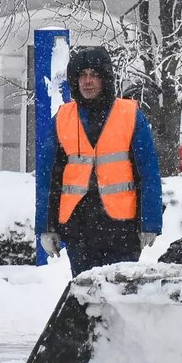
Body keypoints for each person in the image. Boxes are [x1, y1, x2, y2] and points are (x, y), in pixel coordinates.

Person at [35, 46, 163, 276]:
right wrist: (46, 229)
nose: (87, 81)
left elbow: (148, 173)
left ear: (105, 78)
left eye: (94, 75)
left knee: (119, 295)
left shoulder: (130, 115)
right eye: (82, 75)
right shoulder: (63, 118)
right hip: (79, 229)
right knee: (86, 297)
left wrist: (149, 223)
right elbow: (48, 178)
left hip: (123, 229)